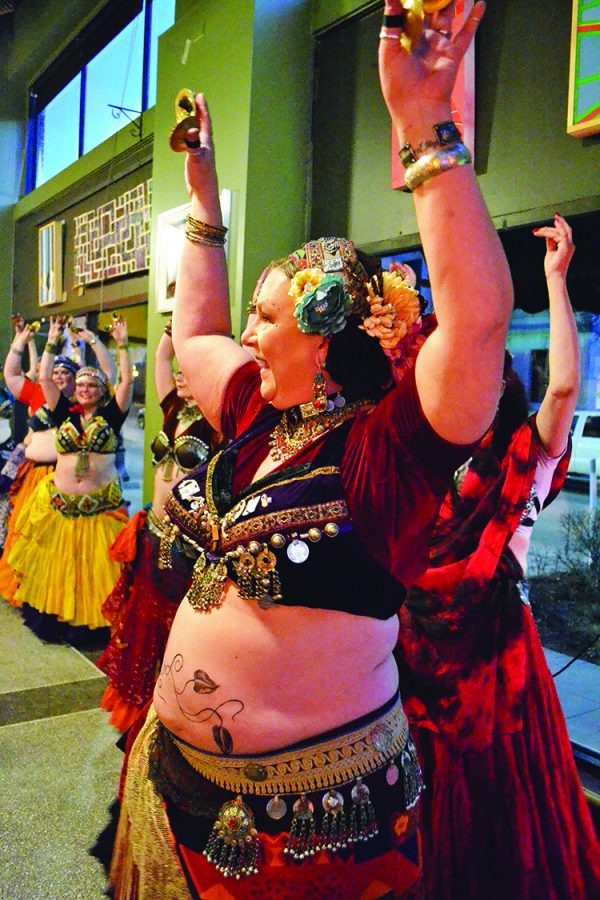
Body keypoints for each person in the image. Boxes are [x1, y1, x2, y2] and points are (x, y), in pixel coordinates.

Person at [108, 2, 515, 897]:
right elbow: (198, 334)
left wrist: (421, 123)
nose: (248, 331)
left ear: (325, 329)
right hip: (175, 786)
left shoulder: (384, 454)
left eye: (270, 315)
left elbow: (479, 324)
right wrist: (205, 206)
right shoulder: (257, 413)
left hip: (306, 835)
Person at [396, 215, 600, 898]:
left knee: (498, 806)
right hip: (412, 655)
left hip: (495, 660)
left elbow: (565, 390)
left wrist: (555, 281)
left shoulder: (525, 456)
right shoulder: (426, 459)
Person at [97, 320, 224, 732]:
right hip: (153, 529)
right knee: (146, 625)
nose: (182, 376)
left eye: (192, 370)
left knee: (177, 626)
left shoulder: (218, 421)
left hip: (189, 542)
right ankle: (142, 716)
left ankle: (174, 715)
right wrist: (175, 329)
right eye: (181, 371)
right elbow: (160, 358)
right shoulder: (173, 410)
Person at [9, 314, 133, 644]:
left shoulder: (112, 415)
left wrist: (119, 344)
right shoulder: (63, 411)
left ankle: (90, 628)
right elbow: (45, 376)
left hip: (99, 508)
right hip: (61, 506)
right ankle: (55, 621)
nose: (85, 389)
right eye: (80, 385)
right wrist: (51, 338)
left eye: (91, 384)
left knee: (97, 572)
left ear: (101, 389)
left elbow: (125, 383)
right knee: (58, 567)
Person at [0, 317, 114, 604]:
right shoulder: (41, 394)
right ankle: (24, 589)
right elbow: (12, 375)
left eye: (68, 373)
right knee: (29, 533)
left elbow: (111, 378)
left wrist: (93, 341)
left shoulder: (85, 406)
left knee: (63, 543)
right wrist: (21, 341)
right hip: (35, 476)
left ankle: (58, 595)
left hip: (71, 479)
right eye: (57, 372)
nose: (61, 377)